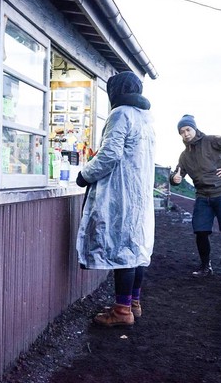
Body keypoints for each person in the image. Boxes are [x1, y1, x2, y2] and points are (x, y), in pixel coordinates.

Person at [75, 71, 156, 327]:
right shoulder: (146, 118)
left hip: (120, 191)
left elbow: (110, 155)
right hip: (139, 191)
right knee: (136, 247)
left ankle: (121, 312)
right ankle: (133, 303)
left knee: (124, 250)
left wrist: (84, 175)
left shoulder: (121, 114)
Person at [169, 114, 221, 282]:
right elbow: (178, 173)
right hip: (203, 196)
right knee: (201, 232)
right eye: (182, 132)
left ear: (194, 128)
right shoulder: (184, 156)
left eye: (188, 129)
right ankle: (205, 267)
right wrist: (175, 178)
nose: (186, 134)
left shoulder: (212, 140)